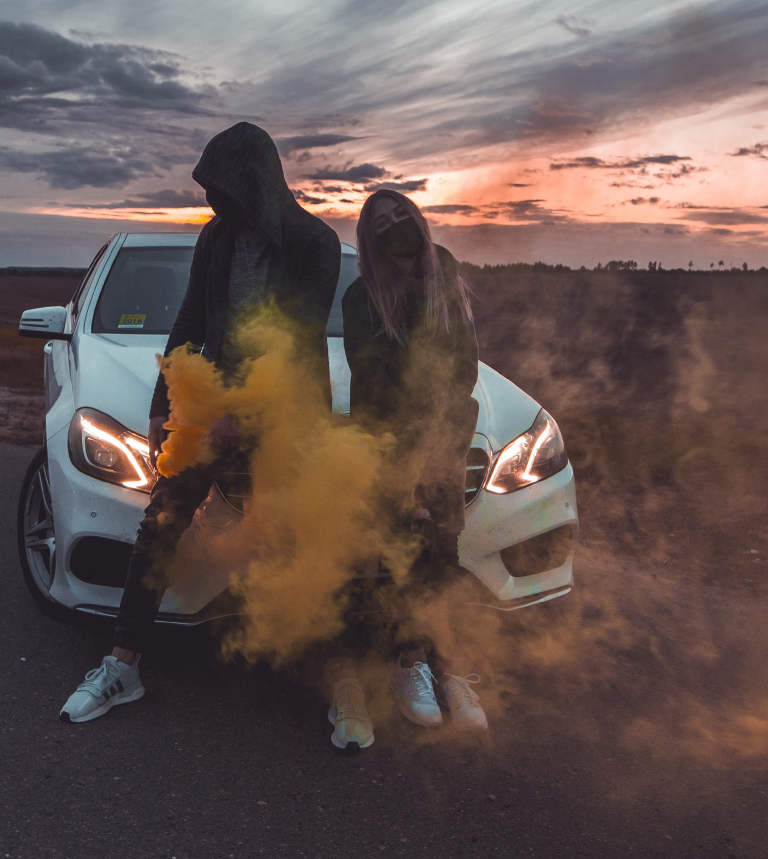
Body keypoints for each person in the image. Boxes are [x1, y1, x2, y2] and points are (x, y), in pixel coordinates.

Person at [60, 122, 341, 723]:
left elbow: (297, 337)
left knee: (305, 536)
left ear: (254, 181)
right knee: (160, 519)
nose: (215, 200)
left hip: (288, 407)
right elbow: (189, 321)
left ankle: (342, 678)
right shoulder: (216, 239)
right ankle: (122, 667)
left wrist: (245, 418)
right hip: (211, 406)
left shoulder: (314, 242)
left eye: (224, 186)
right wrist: (164, 404)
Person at [324, 188, 488, 749]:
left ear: (420, 219)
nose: (398, 226)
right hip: (390, 444)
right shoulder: (360, 298)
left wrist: (439, 455)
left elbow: (462, 370)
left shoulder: (443, 275)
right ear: (369, 242)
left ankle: (451, 672)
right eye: (383, 223)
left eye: (403, 215)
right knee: (402, 554)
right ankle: (408, 662)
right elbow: (376, 393)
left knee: (444, 559)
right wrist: (410, 477)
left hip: (446, 438)